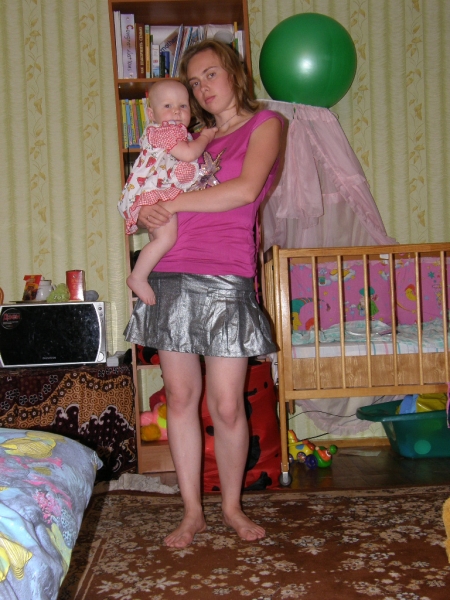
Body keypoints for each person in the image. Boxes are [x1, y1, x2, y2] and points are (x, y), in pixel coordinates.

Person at [118, 39, 283, 549]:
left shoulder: (266, 124)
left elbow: (244, 191)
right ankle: (192, 512)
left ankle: (231, 507)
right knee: (181, 398)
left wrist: (169, 202)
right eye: (194, 81)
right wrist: (147, 210)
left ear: (235, 73)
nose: (203, 87)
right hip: (170, 271)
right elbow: (153, 183)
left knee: (228, 405)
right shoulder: (189, 139)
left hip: (226, 274)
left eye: (211, 74)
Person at [118, 80, 217, 305]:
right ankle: (137, 276)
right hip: (158, 193)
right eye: (168, 106)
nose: (176, 112)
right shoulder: (164, 132)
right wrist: (205, 137)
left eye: (183, 106)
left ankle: (144, 274)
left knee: (160, 239)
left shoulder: (175, 133)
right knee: (166, 238)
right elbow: (188, 154)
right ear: (151, 114)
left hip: (160, 192)